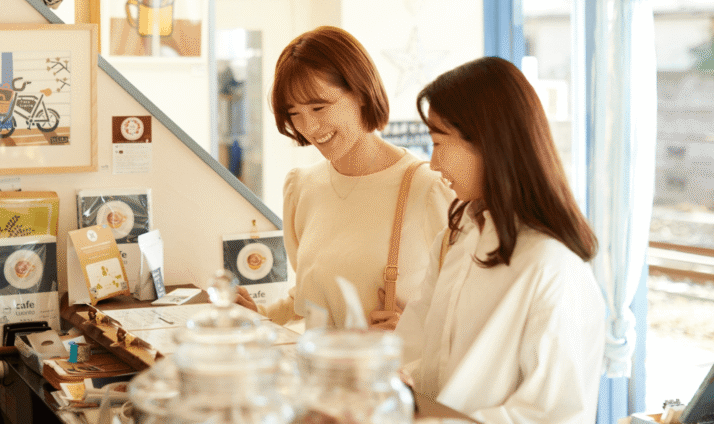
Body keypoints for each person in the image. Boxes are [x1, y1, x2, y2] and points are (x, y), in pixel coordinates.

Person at [395, 56, 605, 424]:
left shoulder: (551, 267)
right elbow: (416, 353)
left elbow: (553, 416)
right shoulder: (456, 239)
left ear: (490, 142)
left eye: (438, 142)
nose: (433, 163)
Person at [237, 26, 453, 330]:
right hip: (318, 371)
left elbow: (465, 308)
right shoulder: (301, 187)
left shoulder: (427, 189)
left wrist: (414, 329)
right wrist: (259, 316)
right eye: (294, 113)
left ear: (361, 93)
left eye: (318, 106)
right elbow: (310, 297)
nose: (308, 126)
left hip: (388, 373)